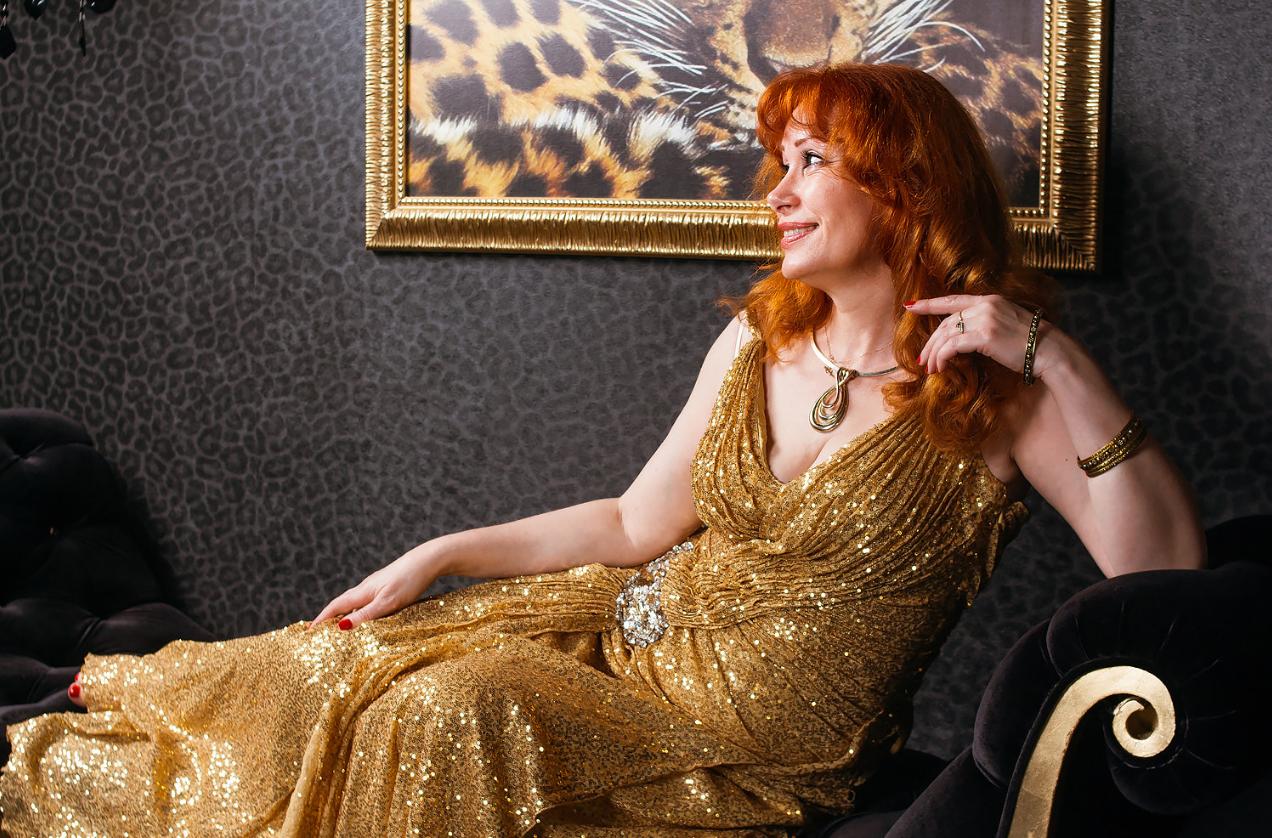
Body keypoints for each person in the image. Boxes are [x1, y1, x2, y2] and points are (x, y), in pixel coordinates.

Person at [0, 63, 1205, 837]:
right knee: (340, 669)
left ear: (906, 188)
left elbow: (1161, 577)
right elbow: (636, 524)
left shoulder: (1002, 394)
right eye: (778, 165)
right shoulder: (761, 340)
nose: (777, 193)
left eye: (811, 164)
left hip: (757, 748)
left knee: (454, 709)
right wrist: (442, 552)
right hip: (617, 641)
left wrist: (1060, 360)